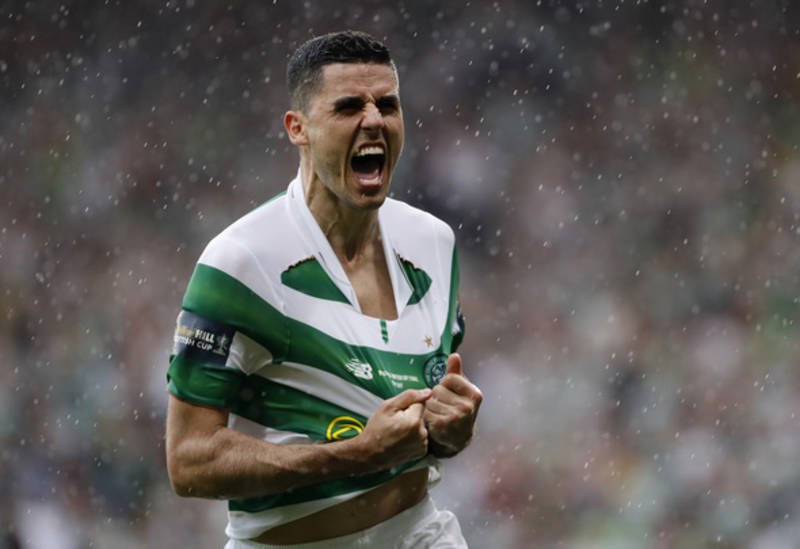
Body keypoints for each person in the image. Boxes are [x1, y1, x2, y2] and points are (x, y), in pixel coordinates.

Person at [165, 30, 482, 548]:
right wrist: (354, 456)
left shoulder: (434, 243)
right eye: (348, 106)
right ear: (299, 128)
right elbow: (189, 462)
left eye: (387, 105)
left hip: (420, 533)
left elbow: (424, 430)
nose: (374, 120)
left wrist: (451, 431)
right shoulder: (241, 261)